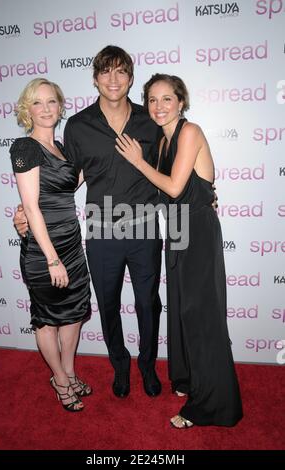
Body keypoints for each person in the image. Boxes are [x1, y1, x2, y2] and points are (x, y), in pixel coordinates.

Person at [14, 46, 163, 399]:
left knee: (147, 303)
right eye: (106, 72)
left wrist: (201, 192)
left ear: (131, 78)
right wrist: (27, 209)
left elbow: (168, 169)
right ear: (95, 78)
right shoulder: (79, 126)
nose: (113, 80)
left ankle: (147, 366)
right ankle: (121, 366)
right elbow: (69, 177)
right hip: (102, 230)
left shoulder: (149, 121)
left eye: (121, 72)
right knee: (108, 303)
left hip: (144, 228)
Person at [115, 74, 243, 428]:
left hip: (196, 231)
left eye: (166, 99)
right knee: (184, 312)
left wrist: (138, 162)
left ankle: (213, 405)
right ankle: (189, 379)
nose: (158, 106)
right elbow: (165, 194)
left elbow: (173, 188)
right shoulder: (161, 143)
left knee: (202, 316)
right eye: (152, 100)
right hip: (176, 230)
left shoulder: (189, 132)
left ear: (181, 102)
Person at [10, 78, 92, 412]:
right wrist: (52, 259)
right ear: (26, 109)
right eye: (37, 102)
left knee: (74, 312)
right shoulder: (24, 147)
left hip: (71, 243)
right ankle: (59, 379)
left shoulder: (62, 148)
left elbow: (76, 179)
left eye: (52, 102)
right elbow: (30, 208)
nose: (45, 109)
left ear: (60, 106)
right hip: (45, 250)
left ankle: (69, 371)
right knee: (47, 318)